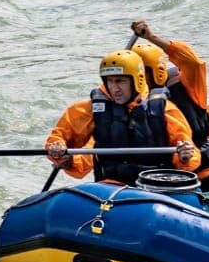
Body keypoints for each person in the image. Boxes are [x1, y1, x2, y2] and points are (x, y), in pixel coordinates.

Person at [44, 49, 199, 185]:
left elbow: (188, 152)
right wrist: (60, 152)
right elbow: (61, 137)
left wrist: (185, 156)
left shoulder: (164, 109)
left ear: (136, 81)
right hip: (111, 186)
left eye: (120, 81)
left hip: (156, 185)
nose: (114, 88)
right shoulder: (92, 109)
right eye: (110, 81)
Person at [127, 22, 209, 191]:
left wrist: (151, 38)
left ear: (157, 71)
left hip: (201, 169)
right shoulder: (125, 100)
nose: (134, 80)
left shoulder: (185, 86)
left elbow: (193, 63)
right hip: (154, 176)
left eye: (140, 73)